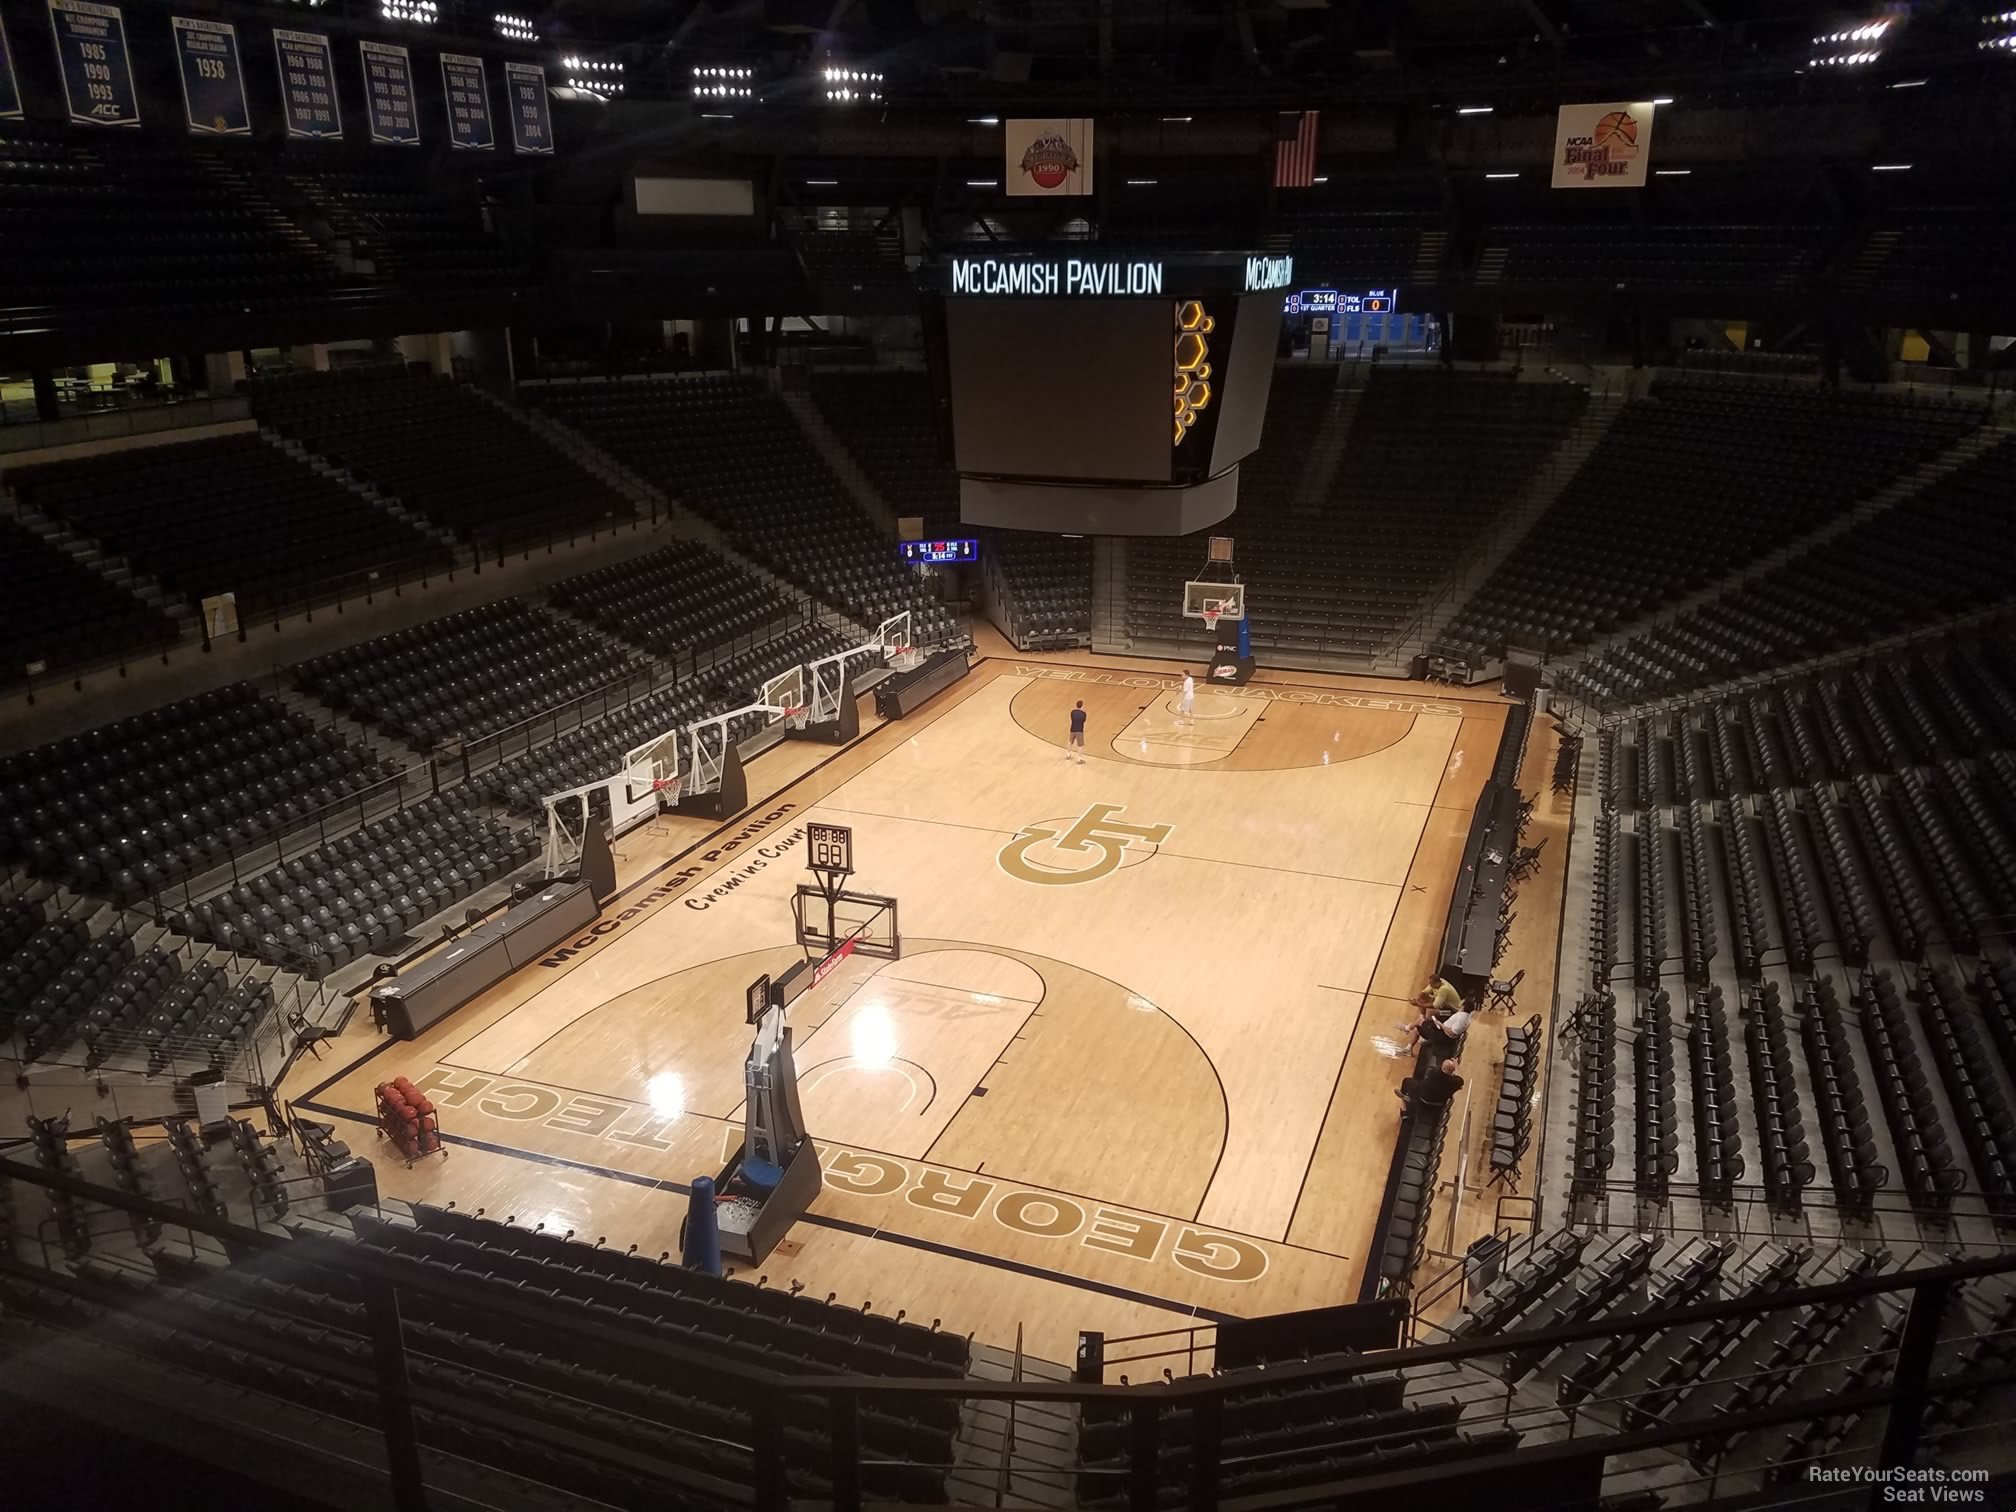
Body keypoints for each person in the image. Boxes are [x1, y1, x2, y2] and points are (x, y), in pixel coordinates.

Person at [1396, 1058, 1464, 1113]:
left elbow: (1436, 1071)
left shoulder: (1433, 1072)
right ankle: (1407, 1099)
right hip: (1438, 1106)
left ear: (1443, 1068)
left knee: (1407, 1081)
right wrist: (1456, 1065)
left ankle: (1404, 1103)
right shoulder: (1456, 1081)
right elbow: (1461, 1080)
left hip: (1421, 1100)